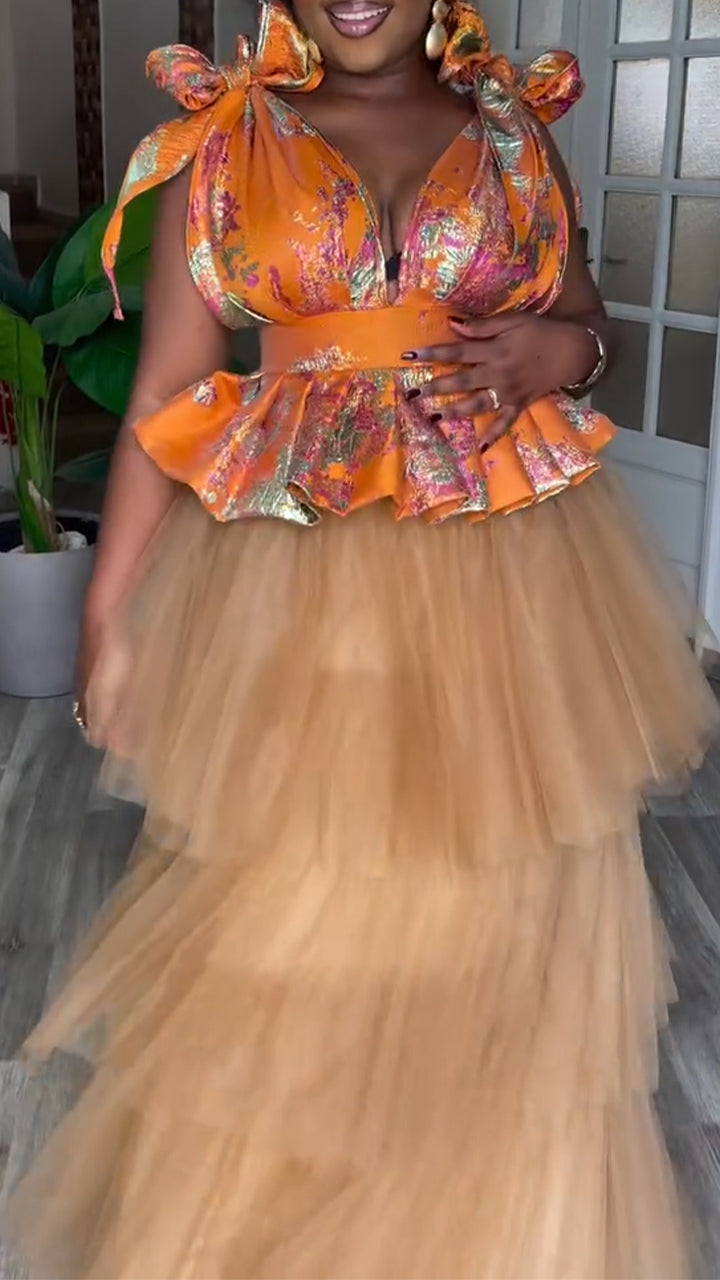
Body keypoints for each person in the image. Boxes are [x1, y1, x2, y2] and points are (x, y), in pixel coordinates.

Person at [5, 1, 718, 1275]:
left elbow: (589, 327)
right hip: (291, 583)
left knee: (495, 909)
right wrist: (106, 617)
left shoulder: (511, 128)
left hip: (508, 579)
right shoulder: (229, 139)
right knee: (297, 911)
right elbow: (168, 391)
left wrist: (553, 351)